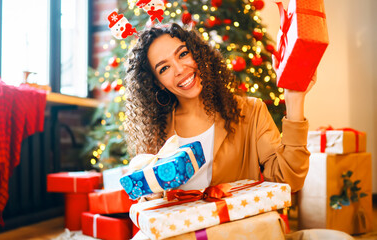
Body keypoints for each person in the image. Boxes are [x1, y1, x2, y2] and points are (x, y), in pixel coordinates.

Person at [124, 23, 314, 195]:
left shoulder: (251, 112)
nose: (180, 69)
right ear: (158, 83)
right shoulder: (156, 131)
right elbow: (150, 200)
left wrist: (294, 99)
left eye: (183, 54)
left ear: (198, 53)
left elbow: (288, 180)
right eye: (164, 68)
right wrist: (152, 194)